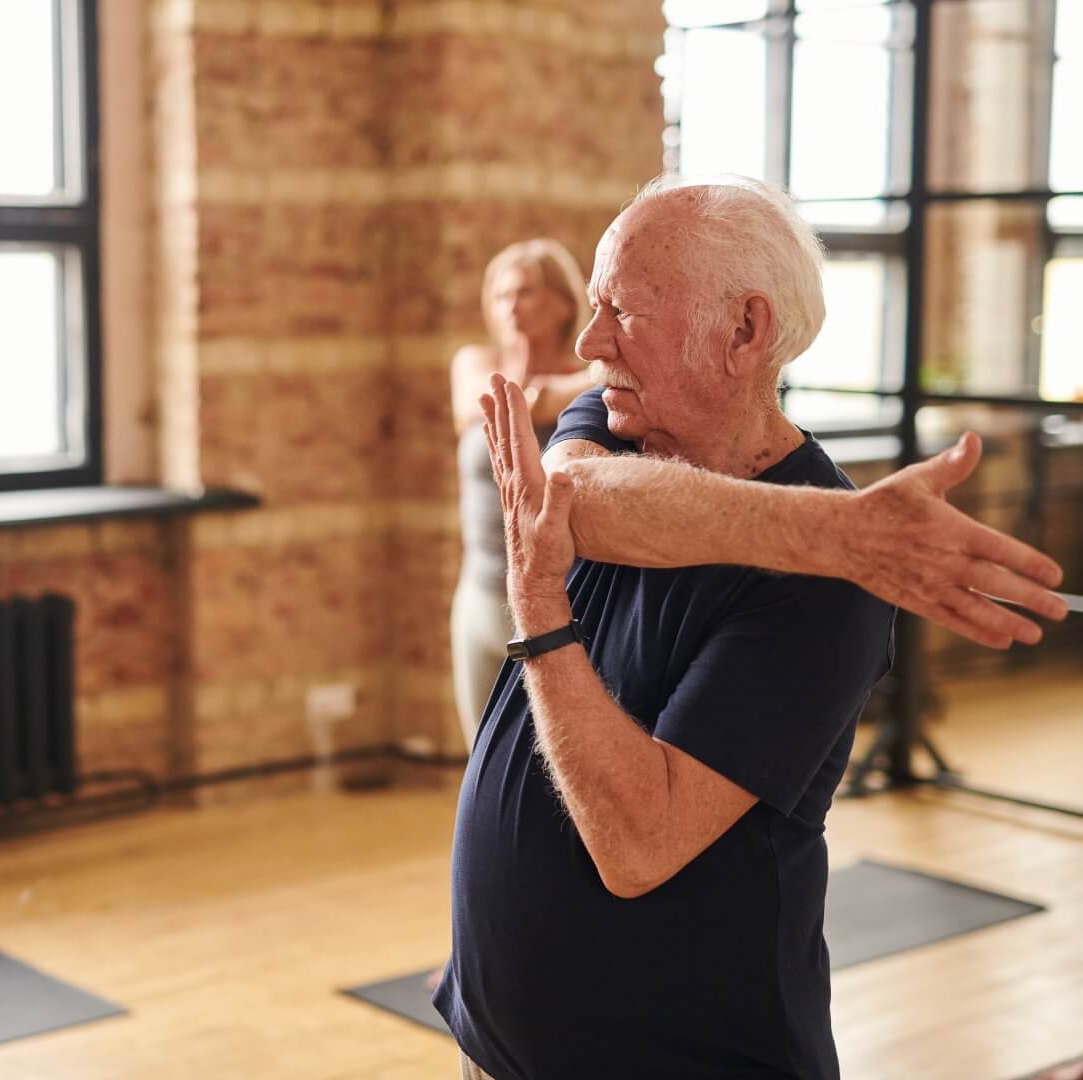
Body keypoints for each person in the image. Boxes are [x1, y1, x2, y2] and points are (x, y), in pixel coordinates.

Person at [431, 176, 1068, 1079]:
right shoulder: (615, 425)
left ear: (745, 331)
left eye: (623, 311)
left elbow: (639, 844)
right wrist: (837, 532)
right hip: (495, 1049)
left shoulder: (833, 591)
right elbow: (569, 498)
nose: (588, 341)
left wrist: (541, 614)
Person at [449, 239, 596, 750]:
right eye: (501, 294)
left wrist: (539, 396)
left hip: (561, 603)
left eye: (527, 292)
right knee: (482, 760)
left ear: (562, 303)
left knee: (554, 763)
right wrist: (538, 397)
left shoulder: (590, 378)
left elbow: (596, 381)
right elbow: (478, 403)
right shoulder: (474, 361)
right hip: (479, 593)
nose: (511, 306)